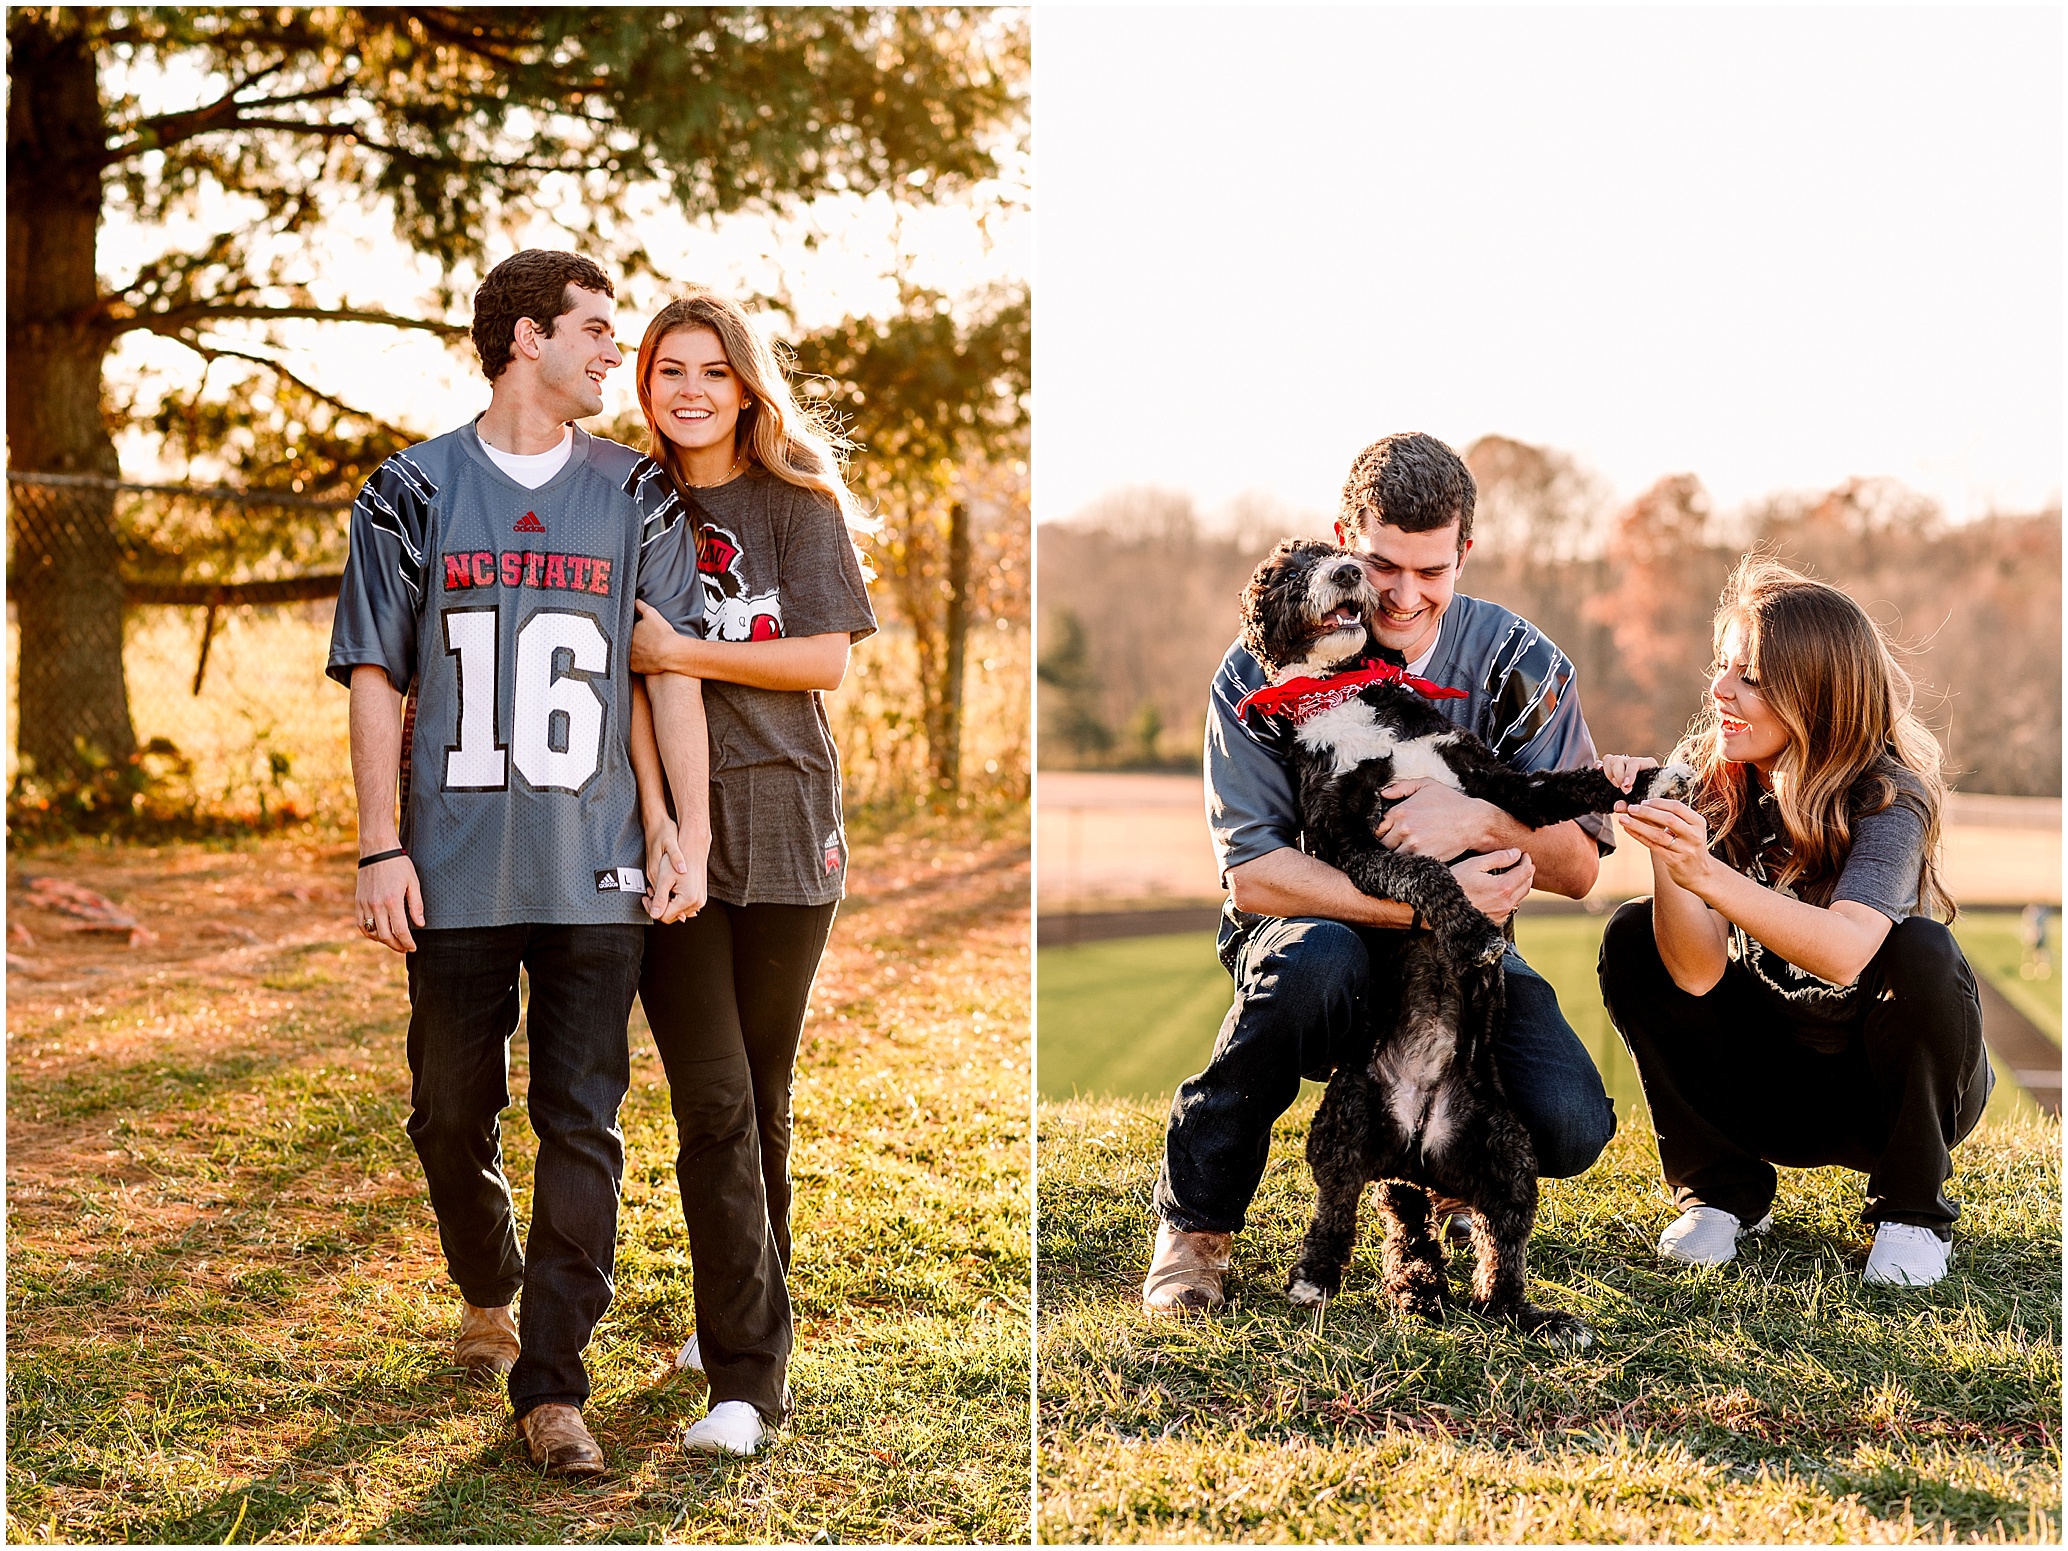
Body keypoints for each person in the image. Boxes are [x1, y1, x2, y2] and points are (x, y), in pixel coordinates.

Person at [329, 249, 710, 1476]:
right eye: (596, 332)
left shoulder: (638, 495)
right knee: (448, 1115)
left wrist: (678, 827)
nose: (618, 355)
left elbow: (667, 674)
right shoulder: (410, 492)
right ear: (526, 340)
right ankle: (488, 1284)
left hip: (594, 866)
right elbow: (378, 677)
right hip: (451, 864)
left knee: (581, 1123)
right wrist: (379, 844)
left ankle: (552, 1384)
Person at [1144, 430, 1620, 1314]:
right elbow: (1254, 873)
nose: (1403, 595)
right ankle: (1197, 1224)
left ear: (1464, 553)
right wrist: (1424, 910)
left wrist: (1480, 817)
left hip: (1457, 962)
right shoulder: (1262, 662)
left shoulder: (1523, 666)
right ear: (1340, 538)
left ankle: (1436, 1176)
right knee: (1314, 965)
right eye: (1379, 565)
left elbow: (1580, 865)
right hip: (1312, 935)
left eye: (1431, 571)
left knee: (1570, 1117)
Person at [622, 290, 878, 1456]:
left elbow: (823, 658)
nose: (688, 390)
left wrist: (686, 647)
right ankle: (747, 1377)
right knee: (711, 1097)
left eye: (710, 372)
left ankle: (738, 1312)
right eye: (668, 369)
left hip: (787, 830)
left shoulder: (797, 503)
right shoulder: (621, 501)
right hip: (667, 836)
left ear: (744, 385)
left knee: (758, 1095)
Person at [1596, 557, 1990, 1288]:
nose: (1719, 689)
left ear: (1815, 694)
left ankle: (1912, 1212)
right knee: (1631, 935)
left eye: (1748, 675)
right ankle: (1721, 1190)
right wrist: (1673, 843)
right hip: (1770, 1089)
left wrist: (1707, 870)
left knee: (1923, 952)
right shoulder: (1713, 776)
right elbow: (1693, 972)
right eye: (1721, 666)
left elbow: (1846, 951)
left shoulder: (1888, 797)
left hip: (1891, 1098)